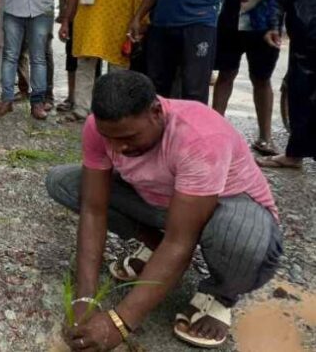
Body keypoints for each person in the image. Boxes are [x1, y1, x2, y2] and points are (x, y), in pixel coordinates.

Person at [46, 71, 281, 350]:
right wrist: (84, 300)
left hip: (226, 209)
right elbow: (94, 210)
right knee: (65, 183)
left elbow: (181, 240)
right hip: (164, 203)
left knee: (240, 237)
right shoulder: (100, 129)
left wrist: (119, 322)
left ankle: (220, 296)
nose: (118, 147)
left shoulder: (199, 136)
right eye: (110, 138)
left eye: (129, 137)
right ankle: (155, 251)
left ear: (156, 112)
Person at [212, 0, 284, 156]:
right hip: (231, 19)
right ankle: (215, 128)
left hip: (266, 23)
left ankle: (265, 137)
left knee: (261, 78)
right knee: (226, 73)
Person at [259, 0, 316, 170]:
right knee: (300, 90)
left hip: (305, 24)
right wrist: (274, 22)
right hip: (306, 27)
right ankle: (295, 153)